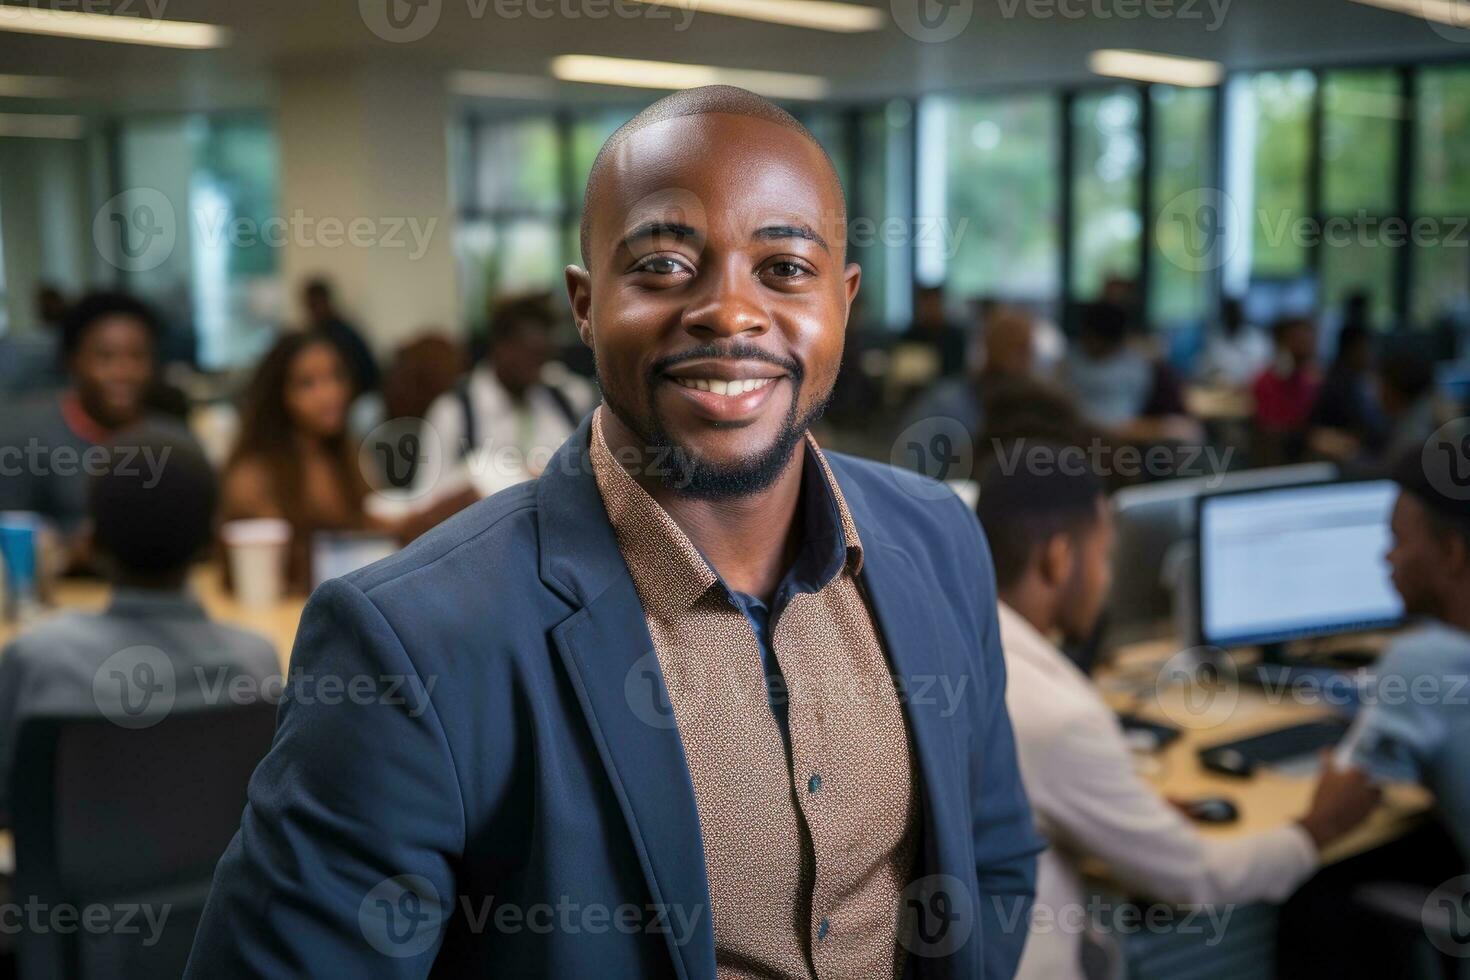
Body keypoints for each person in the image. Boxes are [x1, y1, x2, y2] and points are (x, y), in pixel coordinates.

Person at [187, 86, 1042, 979]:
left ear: (844, 301)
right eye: (665, 266)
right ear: (585, 306)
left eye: (785, 268)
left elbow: (993, 861)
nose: (730, 312)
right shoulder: (413, 642)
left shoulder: (938, 539)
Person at [974, 451, 1382, 980]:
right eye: (1104, 556)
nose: (1106, 578)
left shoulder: (965, 641)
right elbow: (1194, 877)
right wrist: (1315, 829)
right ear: (1058, 559)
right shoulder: (1059, 715)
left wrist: (1123, 801)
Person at [0, 427, 280, 825]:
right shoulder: (256, 662)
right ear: (209, 543)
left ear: (91, 544)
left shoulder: (37, 661)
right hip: (210, 884)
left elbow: (10, 803)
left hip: (66, 886)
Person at [1345, 451, 1470, 860]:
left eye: (1397, 540)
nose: (1388, 558)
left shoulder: (1425, 662)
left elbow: (1341, 798)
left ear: (1451, 553)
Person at [0, 292, 175, 564]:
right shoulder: (23, 439)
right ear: (73, 362)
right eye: (105, 358)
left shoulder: (173, 442)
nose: (124, 372)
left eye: (138, 357)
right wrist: (68, 554)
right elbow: (9, 541)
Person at [221, 332, 376, 593]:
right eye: (308, 383)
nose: (330, 393)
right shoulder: (254, 475)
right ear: (280, 394)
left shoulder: (351, 459)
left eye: (336, 377)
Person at [411, 296, 596, 502]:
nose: (539, 369)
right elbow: (427, 502)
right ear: (501, 347)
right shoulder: (454, 412)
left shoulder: (567, 399)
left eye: (544, 356)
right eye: (530, 355)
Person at [1062, 301, 1199, 444]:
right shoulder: (1069, 361)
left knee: (1185, 430)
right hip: (1083, 434)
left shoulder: (1137, 363)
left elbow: (1122, 418)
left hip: (1123, 433)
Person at [900, 305, 1038, 439]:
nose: (1016, 357)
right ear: (988, 345)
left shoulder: (1038, 407)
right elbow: (913, 453)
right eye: (1007, 343)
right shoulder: (946, 403)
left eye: (1023, 349)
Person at [1308, 324, 1386, 462]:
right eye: (1367, 348)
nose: (1372, 354)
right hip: (1344, 455)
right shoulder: (1339, 383)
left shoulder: (1360, 379)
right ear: (1353, 349)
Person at [302, 276, 380, 395]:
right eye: (312, 305)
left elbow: (367, 374)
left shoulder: (346, 335)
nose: (316, 310)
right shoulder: (309, 336)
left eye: (318, 304)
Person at [1197, 296, 1271, 388]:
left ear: (1242, 315)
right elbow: (1202, 370)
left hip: (1254, 391)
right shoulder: (1215, 340)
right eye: (1229, 314)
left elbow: (1266, 371)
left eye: (1235, 314)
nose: (1232, 318)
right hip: (1225, 392)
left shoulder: (1257, 340)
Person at [900, 284, 968, 377]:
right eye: (927, 304)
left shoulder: (955, 336)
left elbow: (958, 370)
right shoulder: (910, 336)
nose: (930, 309)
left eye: (934, 304)